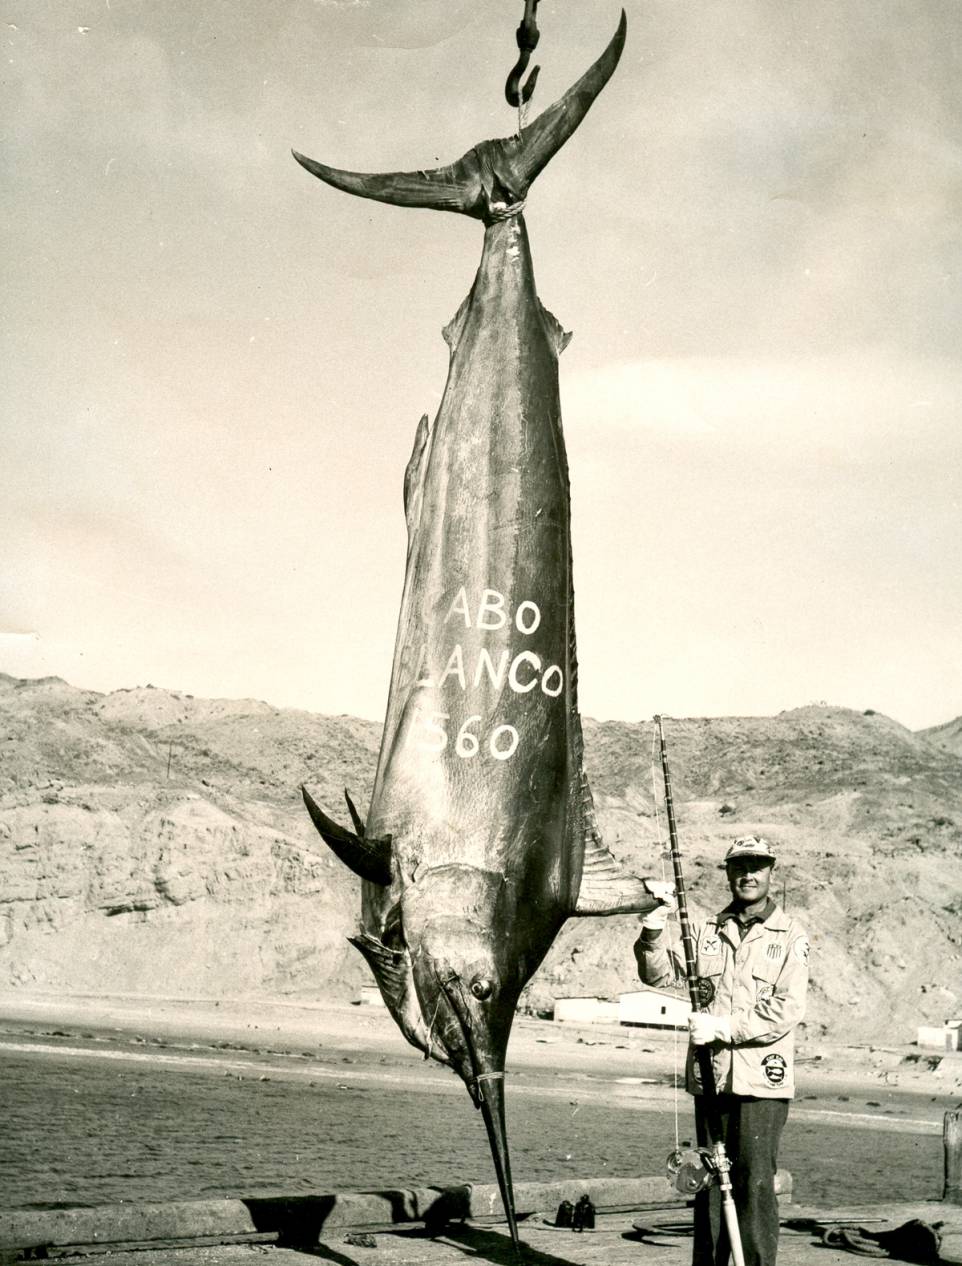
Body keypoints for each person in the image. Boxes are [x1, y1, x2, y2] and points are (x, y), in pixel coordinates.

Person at [634, 835, 809, 1266]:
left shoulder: (791, 935)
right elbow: (657, 975)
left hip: (760, 1084)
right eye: (739, 866)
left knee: (753, 1184)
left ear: (771, 872)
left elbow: (788, 1009)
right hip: (710, 1078)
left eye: (757, 866)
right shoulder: (707, 931)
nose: (748, 874)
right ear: (728, 873)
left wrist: (723, 1027)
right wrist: (653, 926)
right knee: (708, 1181)